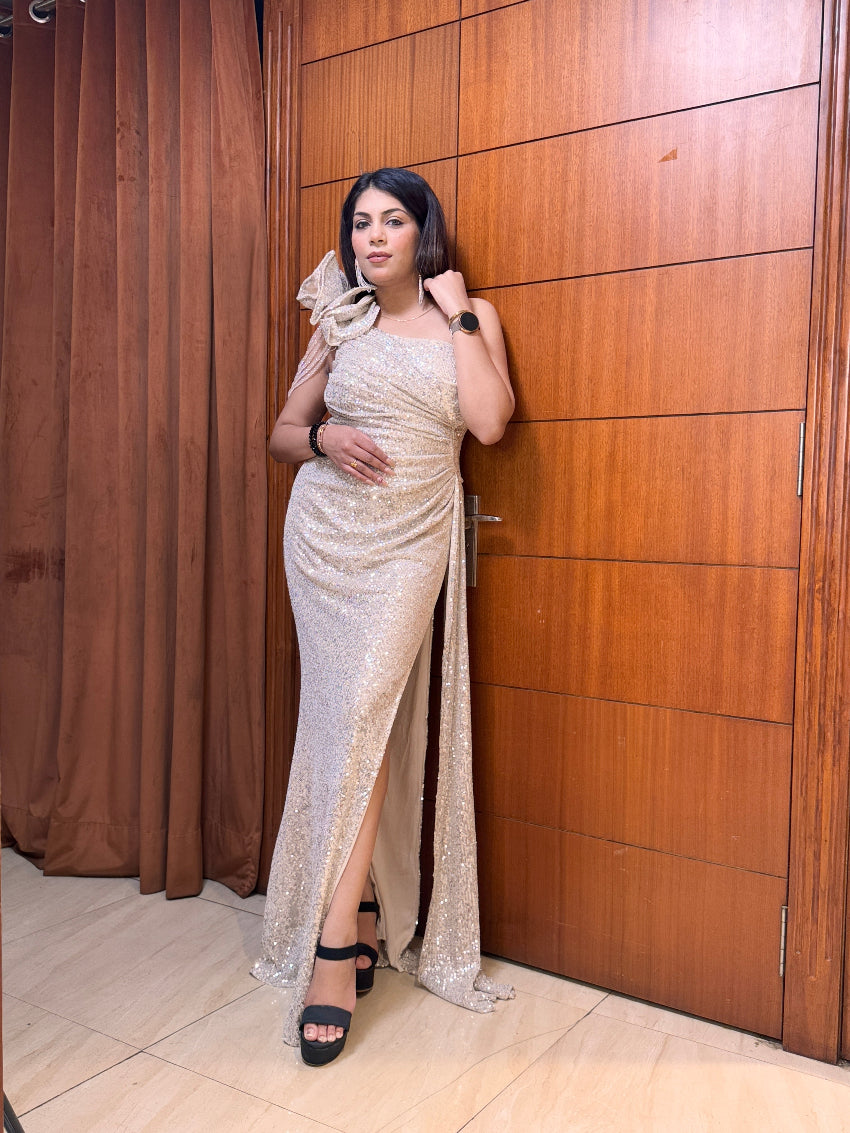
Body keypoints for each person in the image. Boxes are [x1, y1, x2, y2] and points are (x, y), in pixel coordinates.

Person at [253, 167, 515, 1065]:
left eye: (391, 221)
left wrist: (460, 313)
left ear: (421, 232)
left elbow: (487, 424)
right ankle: (348, 923)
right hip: (325, 539)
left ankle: (338, 939)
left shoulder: (467, 317)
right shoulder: (341, 318)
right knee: (347, 724)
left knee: (363, 717)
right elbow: (284, 433)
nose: (372, 237)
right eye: (360, 222)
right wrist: (323, 434)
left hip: (410, 542)